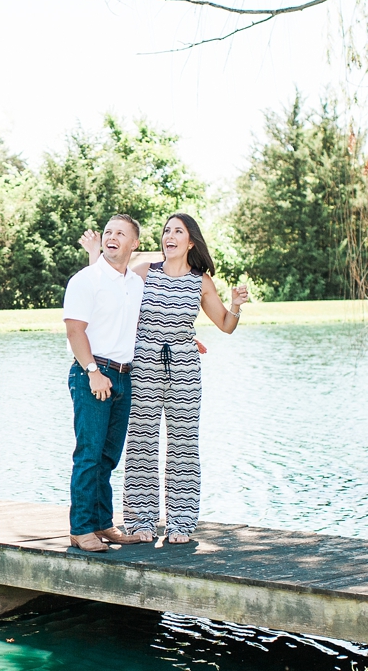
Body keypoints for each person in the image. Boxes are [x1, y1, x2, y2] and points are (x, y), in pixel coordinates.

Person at [80, 213, 248, 544]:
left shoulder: (201, 281)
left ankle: (181, 523)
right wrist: (93, 253)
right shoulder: (145, 273)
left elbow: (226, 325)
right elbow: (107, 286)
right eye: (166, 231)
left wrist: (236, 305)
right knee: (142, 443)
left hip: (185, 368)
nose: (169, 236)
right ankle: (140, 522)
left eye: (178, 231)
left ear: (191, 242)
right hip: (143, 365)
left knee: (184, 445)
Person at [62, 214, 145, 552]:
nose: (112, 237)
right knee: (89, 454)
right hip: (92, 375)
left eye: (120, 233)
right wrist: (94, 371)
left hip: (124, 376)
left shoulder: (134, 283)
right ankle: (80, 529)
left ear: (134, 243)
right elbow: (74, 330)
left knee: (108, 457)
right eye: (108, 232)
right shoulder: (86, 279)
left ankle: (102, 523)